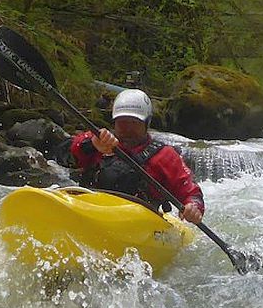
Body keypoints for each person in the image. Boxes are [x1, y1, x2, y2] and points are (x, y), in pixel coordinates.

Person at [67, 89, 205, 223]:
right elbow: (70, 151)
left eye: (134, 123)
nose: (127, 129)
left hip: (137, 222)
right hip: (90, 211)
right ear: (114, 122)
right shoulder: (99, 140)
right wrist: (91, 144)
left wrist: (193, 206)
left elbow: (191, 192)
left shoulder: (165, 155)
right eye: (122, 122)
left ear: (147, 123)